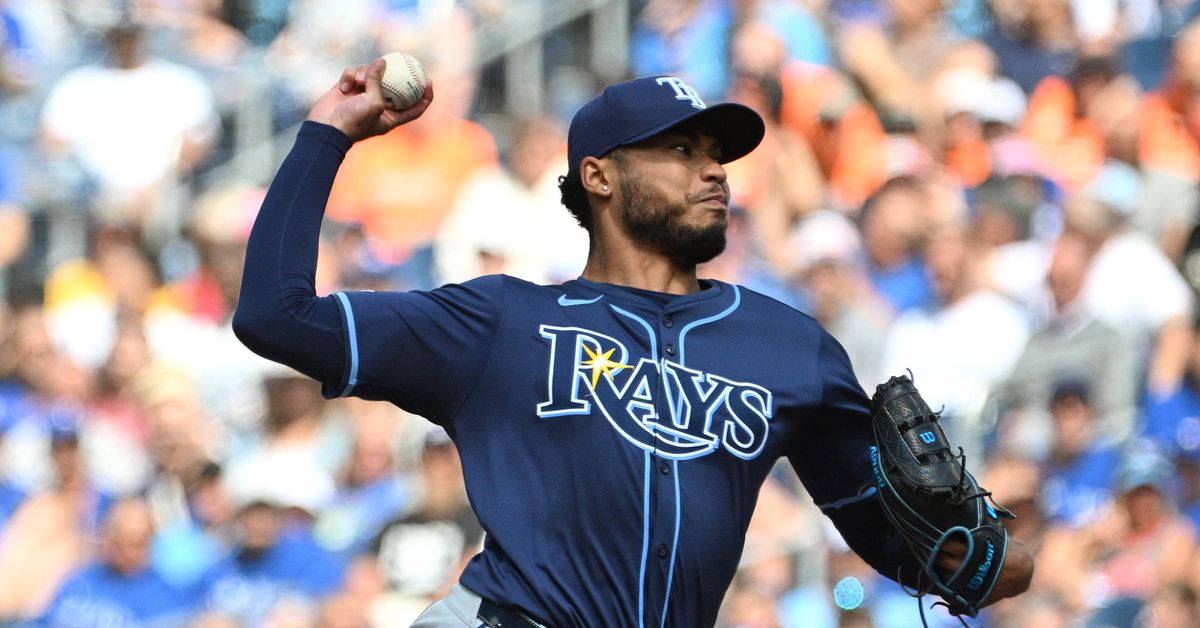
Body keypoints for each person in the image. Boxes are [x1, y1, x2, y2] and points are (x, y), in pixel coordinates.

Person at [231, 58, 1033, 626]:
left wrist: (981, 561)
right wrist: (325, 136)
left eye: (716, 153)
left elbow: (893, 537)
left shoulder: (790, 348)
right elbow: (276, 315)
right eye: (680, 150)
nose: (712, 171)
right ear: (599, 177)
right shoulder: (502, 325)